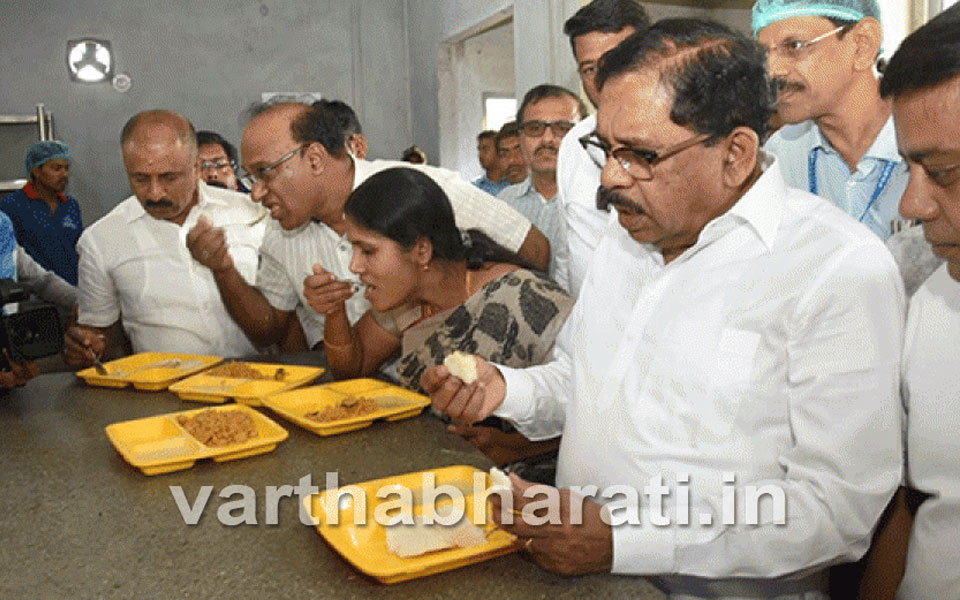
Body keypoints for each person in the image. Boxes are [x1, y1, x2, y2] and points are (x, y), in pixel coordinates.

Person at [424, 19, 904, 598]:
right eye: (606, 149)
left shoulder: (836, 269)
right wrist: (505, 390)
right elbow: (588, 379)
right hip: (582, 577)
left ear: (735, 154)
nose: (610, 177)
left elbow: (835, 510)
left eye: (640, 155)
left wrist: (626, 540)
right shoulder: (626, 236)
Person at [186, 101, 550, 354]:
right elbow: (268, 329)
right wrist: (224, 269)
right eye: (251, 177)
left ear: (314, 159)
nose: (256, 193)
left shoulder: (420, 190)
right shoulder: (280, 232)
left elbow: (533, 250)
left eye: (265, 172)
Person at [859, 5, 960, 598]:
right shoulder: (932, 300)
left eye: (943, 172)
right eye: (908, 167)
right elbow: (912, 503)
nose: (912, 206)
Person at [62, 110, 267, 367]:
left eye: (169, 177)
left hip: (257, 379)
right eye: (140, 179)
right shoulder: (102, 239)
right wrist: (87, 347)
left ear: (195, 167)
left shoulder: (252, 214)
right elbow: (103, 338)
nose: (155, 193)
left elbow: (284, 317)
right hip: (164, 387)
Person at [752, 0, 907, 241]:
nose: (772, 71)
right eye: (764, 54)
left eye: (795, 46)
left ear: (862, 45)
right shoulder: (781, 155)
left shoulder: (937, 141)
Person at [555, 0, 651, 297]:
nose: (602, 78)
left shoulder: (686, 142)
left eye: (617, 60)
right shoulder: (573, 144)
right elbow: (567, 251)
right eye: (589, 68)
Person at [498, 85, 586, 278]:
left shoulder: (599, 204)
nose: (547, 139)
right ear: (521, 138)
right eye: (534, 129)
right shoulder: (504, 203)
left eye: (562, 129)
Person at [0, 140, 83, 285]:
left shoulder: (70, 206)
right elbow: (10, 258)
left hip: (73, 290)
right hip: (35, 293)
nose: (64, 174)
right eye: (57, 168)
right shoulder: (13, 206)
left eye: (66, 168)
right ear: (36, 171)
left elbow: (79, 249)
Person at [472, 130, 508, 196]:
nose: (480, 155)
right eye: (479, 150)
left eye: (485, 149)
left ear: (500, 151)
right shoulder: (475, 188)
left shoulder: (514, 185)